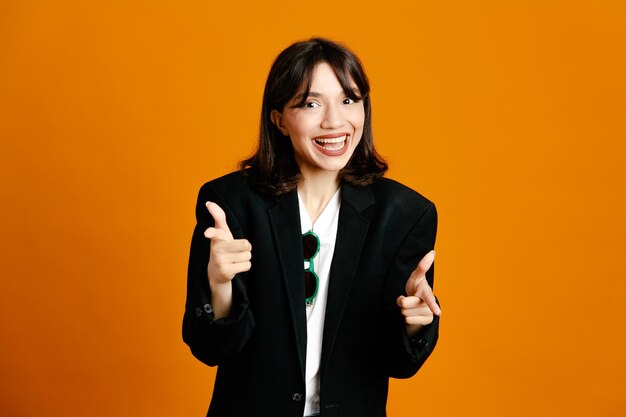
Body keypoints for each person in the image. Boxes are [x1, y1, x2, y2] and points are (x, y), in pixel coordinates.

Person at [183, 37, 440, 417]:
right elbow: (210, 349)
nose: (335, 121)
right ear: (279, 119)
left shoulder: (405, 214)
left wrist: (415, 325)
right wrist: (220, 284)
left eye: (349, 100)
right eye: (310, 103)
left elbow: (399, 365)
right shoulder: (230, 203)